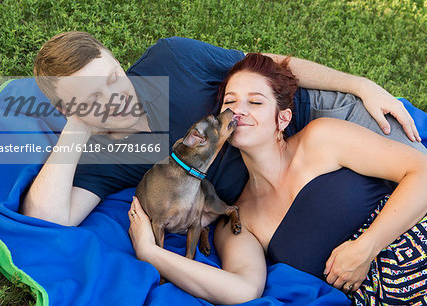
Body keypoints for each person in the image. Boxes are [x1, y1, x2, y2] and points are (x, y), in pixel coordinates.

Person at [21, 31, 425, 227]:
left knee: (418, 173)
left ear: (115, 59)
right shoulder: (103, 157)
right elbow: (48, 220)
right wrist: (76, 128)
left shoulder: (171, 59)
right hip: (281, 179)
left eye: (112, 77)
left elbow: (267, 66)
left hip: (314, 115)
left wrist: (358, 85)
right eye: (91, 98)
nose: (115, 99)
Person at [128, 53, 427, 305]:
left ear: (282, 119)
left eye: (255, 103)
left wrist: (367, 246)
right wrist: (150, 252)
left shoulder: (322, 139)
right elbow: (242, 289)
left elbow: (422, 171)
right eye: (230, 102)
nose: (239, 111)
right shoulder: (240, 218)